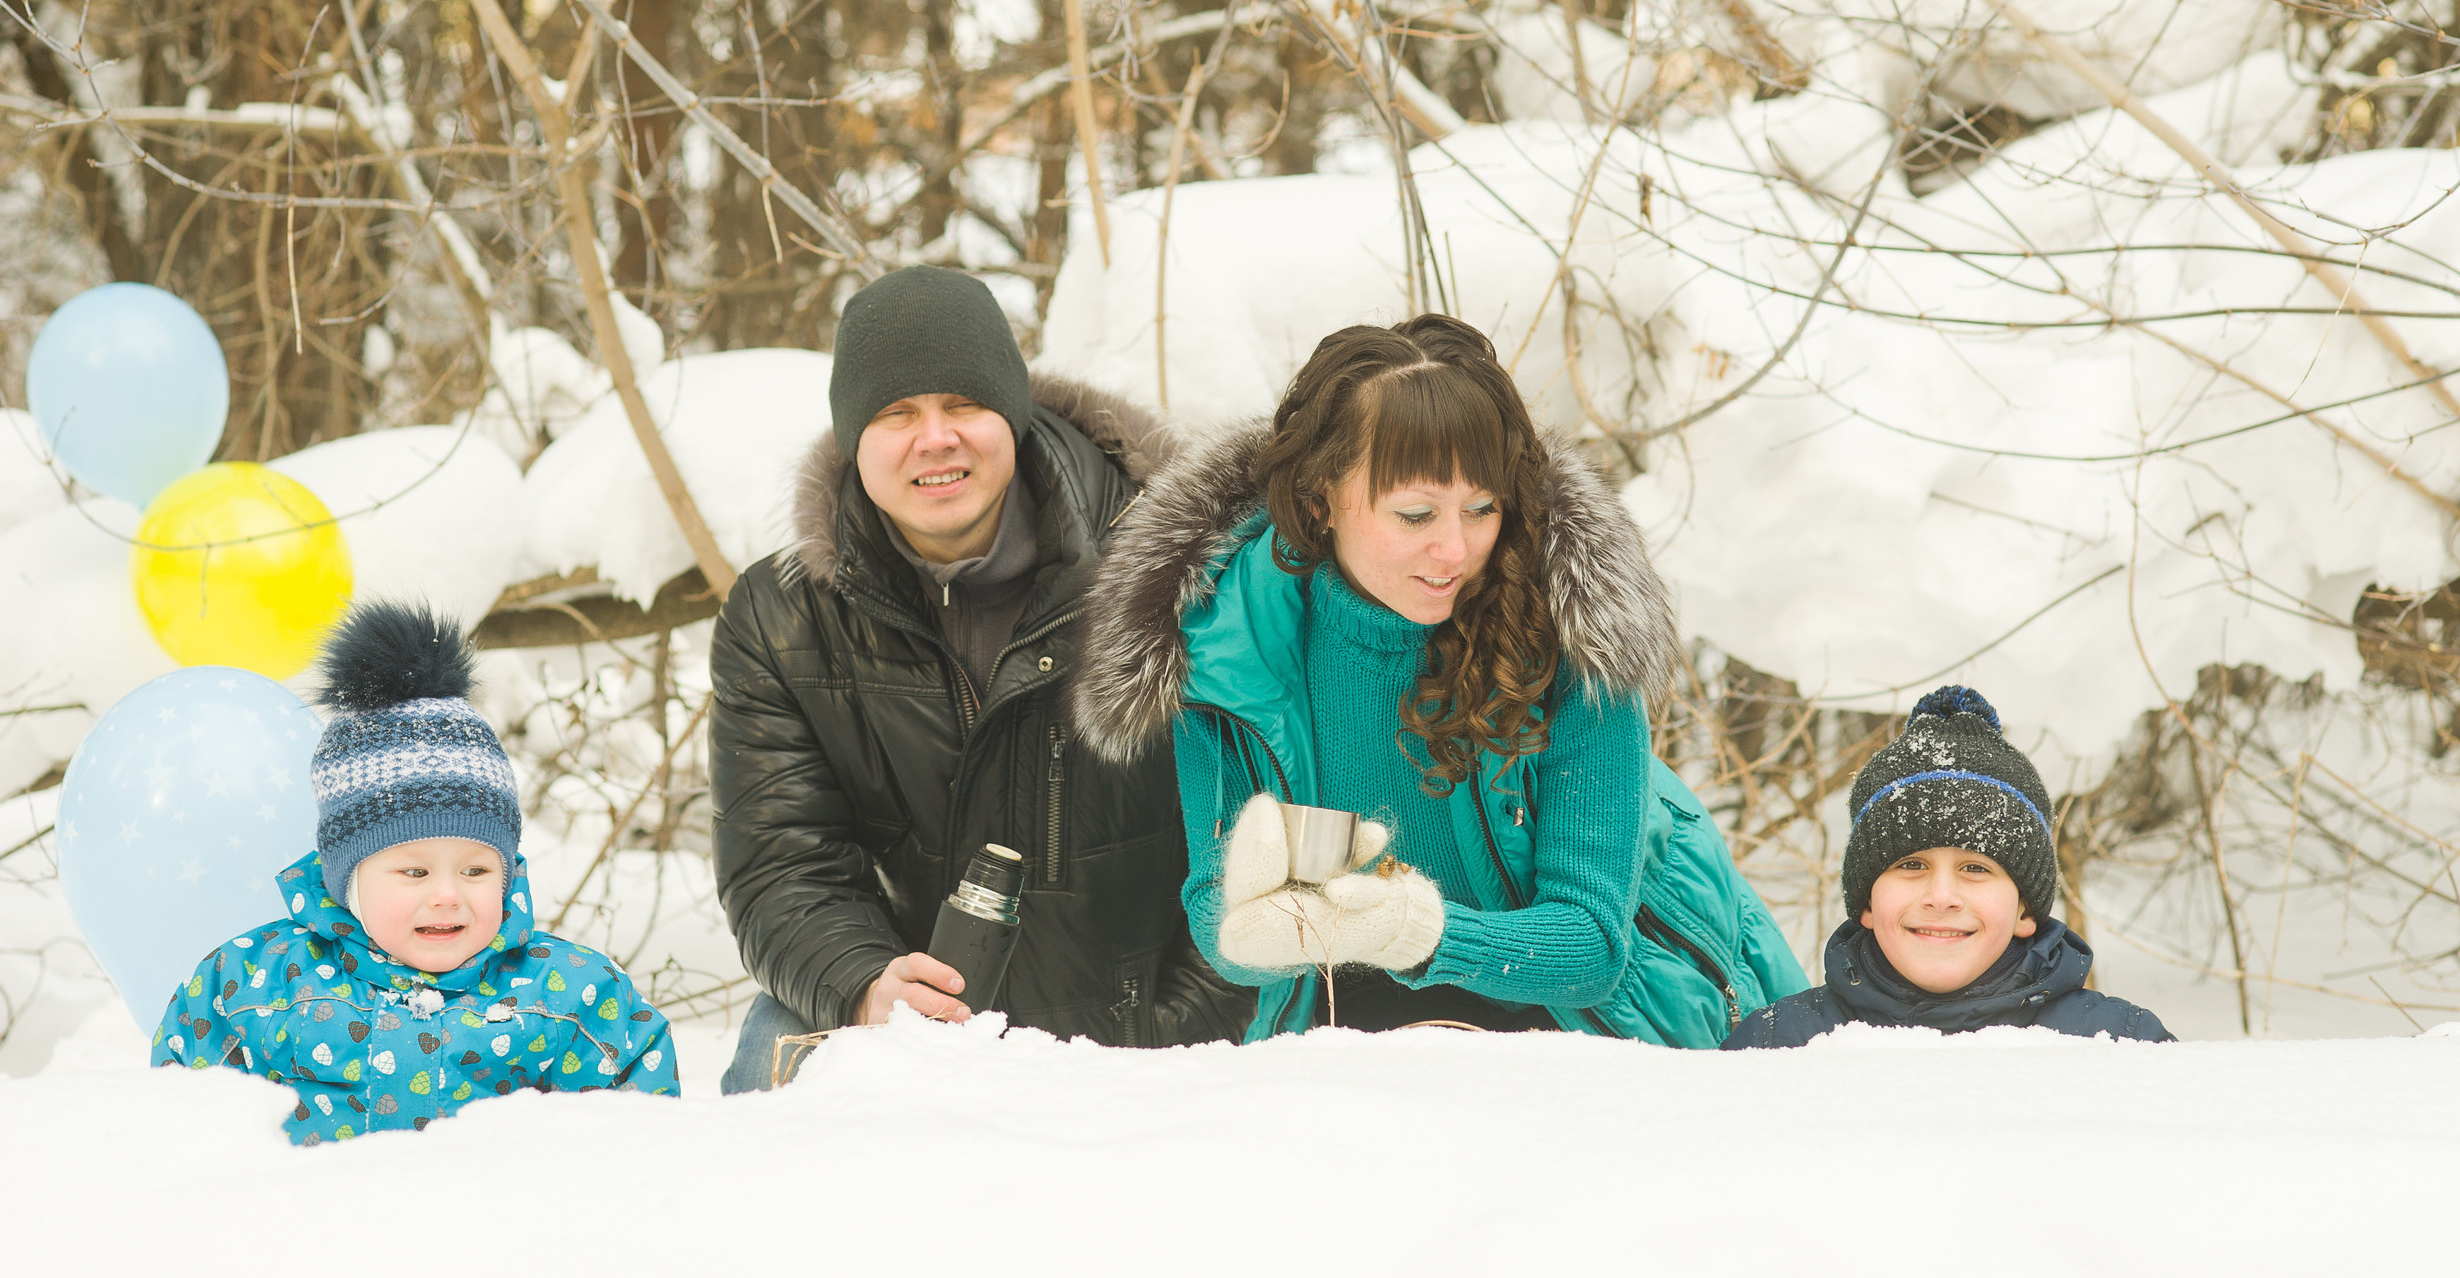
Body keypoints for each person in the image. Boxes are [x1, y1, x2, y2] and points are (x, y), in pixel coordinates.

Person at [1073, 315, 1804, 1042]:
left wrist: (1418, 931)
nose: (1455, 549)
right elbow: (1213, 912)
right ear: (1320, 498)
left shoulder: (1570, 634)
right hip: (1349, 1032)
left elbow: (1590, 947)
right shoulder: (1229, 642)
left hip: (1602, 1023)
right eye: (1416, 513)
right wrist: (1251, 923)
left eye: (1482, 508)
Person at [711, 265, 1247, 1091]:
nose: (935, 438)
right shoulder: (781, 618)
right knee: (779, 1053)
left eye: (963, 404)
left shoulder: (1176, 564)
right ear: (855, 438)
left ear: (1013, 411)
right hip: (922, 1009)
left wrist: (1173, 1023)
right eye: (896, 414)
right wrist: (864, 984)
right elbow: (783, 862)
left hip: (1139, 1023)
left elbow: (1252, 820)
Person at [153, 602, 678, 1142]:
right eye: (414, 873)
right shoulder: (252, 987)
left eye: (475, 870)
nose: (448, 895)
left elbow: (639, 1143)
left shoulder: (569, 996)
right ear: (348, 881)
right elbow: (183, 1134)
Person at [1723, 686, 2174, 1048]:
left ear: (2025, 911)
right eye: (1912, 864)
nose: (1941, 896)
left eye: (1976, 868)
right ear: (1865, 903)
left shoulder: (2120, 1045)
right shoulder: (1778, 1045)